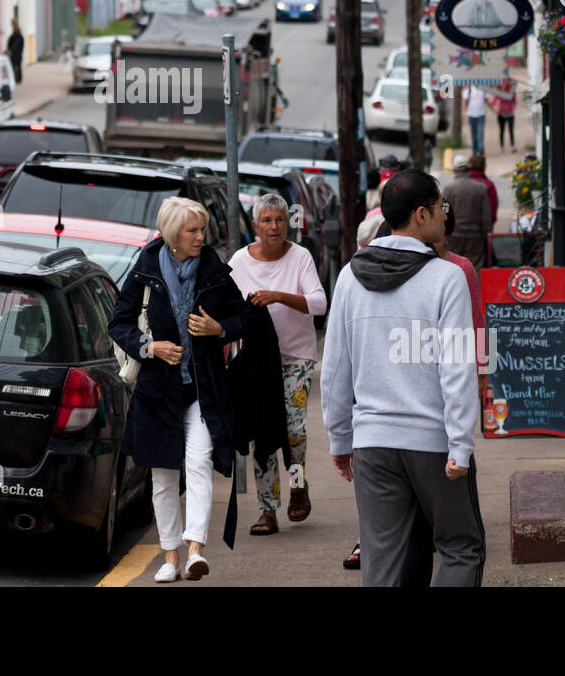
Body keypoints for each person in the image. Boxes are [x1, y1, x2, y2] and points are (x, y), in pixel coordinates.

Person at [321, 169, 485, 587]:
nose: (445, 215)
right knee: (461, 548)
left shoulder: (349, 277)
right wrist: (461, 443)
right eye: (441, 207)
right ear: (420, 215)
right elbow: (457, 367)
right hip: (433, 442)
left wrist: (340, 437)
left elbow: (336, 367)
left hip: (372, 442)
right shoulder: (446, 277)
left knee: (381, 559)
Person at [109, 196, 256, 582]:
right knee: (162, 477)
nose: (200, 236)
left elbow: (245, 316)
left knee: (199, 463)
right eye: (193, 230)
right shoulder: (146, 268)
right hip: (159, 392)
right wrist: (150, 347)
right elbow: (118, 323)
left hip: (203, 390)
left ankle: (194, 551)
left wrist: (219, 329)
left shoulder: (212, 268)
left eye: (202, 229)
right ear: (173, 234)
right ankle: (170, 557)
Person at [228, 193, 327, 536]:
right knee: (262, 433)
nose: (274, 226)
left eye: (280, 219)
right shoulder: (240, 261)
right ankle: (267, 509)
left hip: (296, 357)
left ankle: (298, 485)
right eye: (267, 220)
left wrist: (278, 296)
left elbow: (319, 303)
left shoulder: (300, 257)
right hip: (256, 362)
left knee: (294, 430)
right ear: (255, 226)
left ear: (288, 222)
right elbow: (228, 308)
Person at [399, 202, 486, 587]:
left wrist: (479, 377)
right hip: (416, 402)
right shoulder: (399, 267)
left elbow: (476, 329)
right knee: (423, 527)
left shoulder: (458, 269)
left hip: (441, 403)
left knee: (443, 520)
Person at [444, 155, 493, 270]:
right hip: (475, 235)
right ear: (468, 169)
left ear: (454, 170)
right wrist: (486, 233)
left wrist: (445, 234)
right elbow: (486, 216)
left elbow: (444, 213)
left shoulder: (448, 189)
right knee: (474, 267)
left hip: (454, 235)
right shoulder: (480, 188)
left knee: (453, 266)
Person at [467, 153, 499, 223]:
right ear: (483, 166)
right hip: (481, 226)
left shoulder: (459, 184)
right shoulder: (489, 185)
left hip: (458, 227)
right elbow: (493, 208)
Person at [463, 85, 487, 155]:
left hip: (481, 115)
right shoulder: (468, 90)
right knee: (474, 134)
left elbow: (486, 101)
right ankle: (475, 149)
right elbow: (464, 102)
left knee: (480, 133)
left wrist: (493, 109)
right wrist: (463, 111)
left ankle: (480, 148)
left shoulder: (483, 90)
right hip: (471, 115)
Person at [493, 77, 517, 149]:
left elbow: (514, 102)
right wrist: (497, 105)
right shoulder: (499, 90)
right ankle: (502, 146)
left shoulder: (512, 91)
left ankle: (512, 145)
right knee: (502, 130)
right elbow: (494, 101)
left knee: (511, 130)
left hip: (510, 113)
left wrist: (513, 106)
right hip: (501, 113)